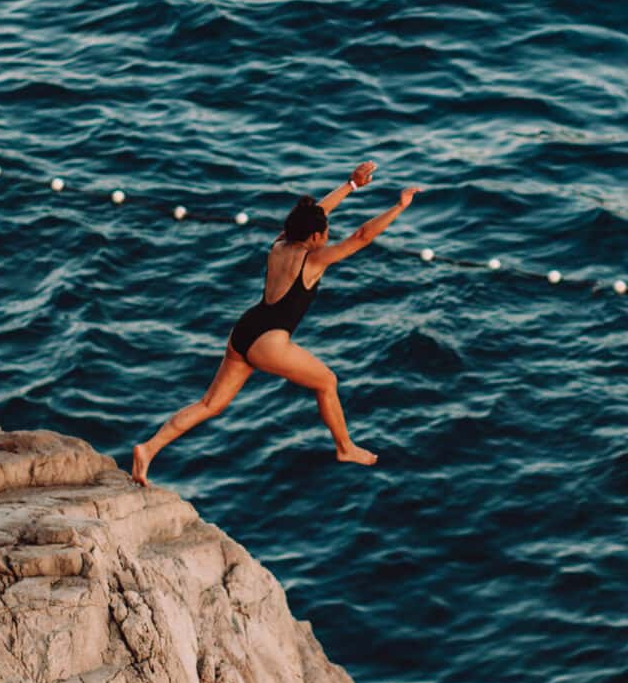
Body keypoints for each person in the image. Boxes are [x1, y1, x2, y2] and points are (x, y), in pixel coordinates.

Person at [130, 163, 420, 481]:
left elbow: (313, 214)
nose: (328, 234)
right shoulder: (314, 259)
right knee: (327, 382)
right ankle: (345, 447)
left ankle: (148, 449)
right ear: (314, 236)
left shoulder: (280, 243)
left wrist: (351, 185)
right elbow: (362, 236)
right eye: (325, 231)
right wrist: (399, 206)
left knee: (209, 403)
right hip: (268, 340)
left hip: (245, 329)